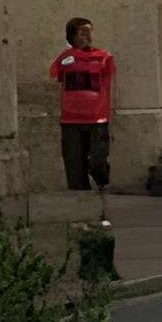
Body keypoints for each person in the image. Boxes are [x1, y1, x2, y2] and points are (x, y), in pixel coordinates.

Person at [52, 14, 117, 219]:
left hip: (97, 118)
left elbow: (110, 78)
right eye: (82, 32)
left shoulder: (104, 57)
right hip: (70, 119)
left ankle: (101, 182)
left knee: (98, 159)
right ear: (72, 36)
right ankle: (82, 207)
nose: (88, 36)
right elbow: (56, 76)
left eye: (90, 31)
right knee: (74, 164)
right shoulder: (64, 58)